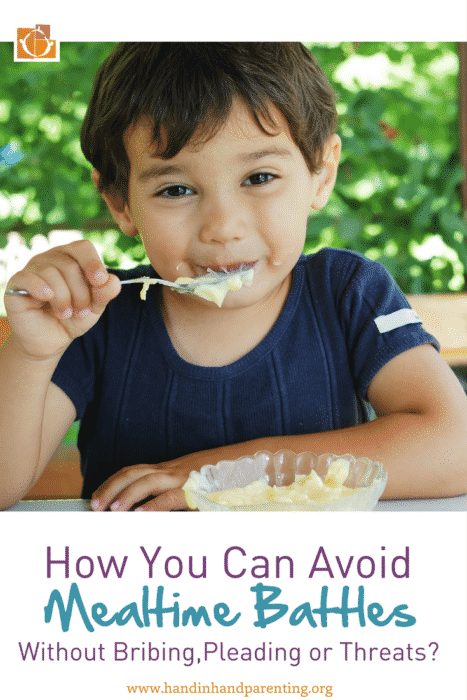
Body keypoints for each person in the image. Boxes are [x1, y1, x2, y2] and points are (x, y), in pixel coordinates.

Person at [1, 42, 467, 512]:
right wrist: (32, 351)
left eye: (259, 177)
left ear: (321, 173)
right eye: (177, 189)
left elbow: (455, 446)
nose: (223, 227)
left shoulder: (349, 294)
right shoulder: (96, 320)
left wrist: (223, 477)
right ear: (121, 203)